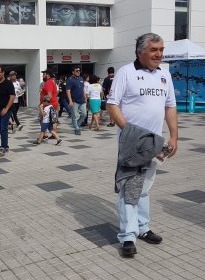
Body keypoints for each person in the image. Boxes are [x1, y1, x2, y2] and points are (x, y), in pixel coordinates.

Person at [107, 33, 178, 257]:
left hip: (154, 143)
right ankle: (127, 237)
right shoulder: (126, 72)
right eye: (154, 50)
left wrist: (174, 136)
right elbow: (112, 105)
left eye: (161, 49)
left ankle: (142, 228)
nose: (159, 54)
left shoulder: (164, 75)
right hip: (131, 143)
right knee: (129, 188)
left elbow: (170, 107)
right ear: (140, 52)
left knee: (145, 187)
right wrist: (128, 132)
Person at [66, 65, 86, 135]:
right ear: (73, 72)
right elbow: (68, 91)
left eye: (79, 71)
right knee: (74, 116)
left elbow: (83, 89)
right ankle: (77, 128)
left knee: (84, 114)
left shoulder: (81, 78)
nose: (78, 72)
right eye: (76, 71)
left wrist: (85, 98)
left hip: (82, 100)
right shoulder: (70, 80)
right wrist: (70, 101)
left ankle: (77, 125)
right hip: (74, 101)